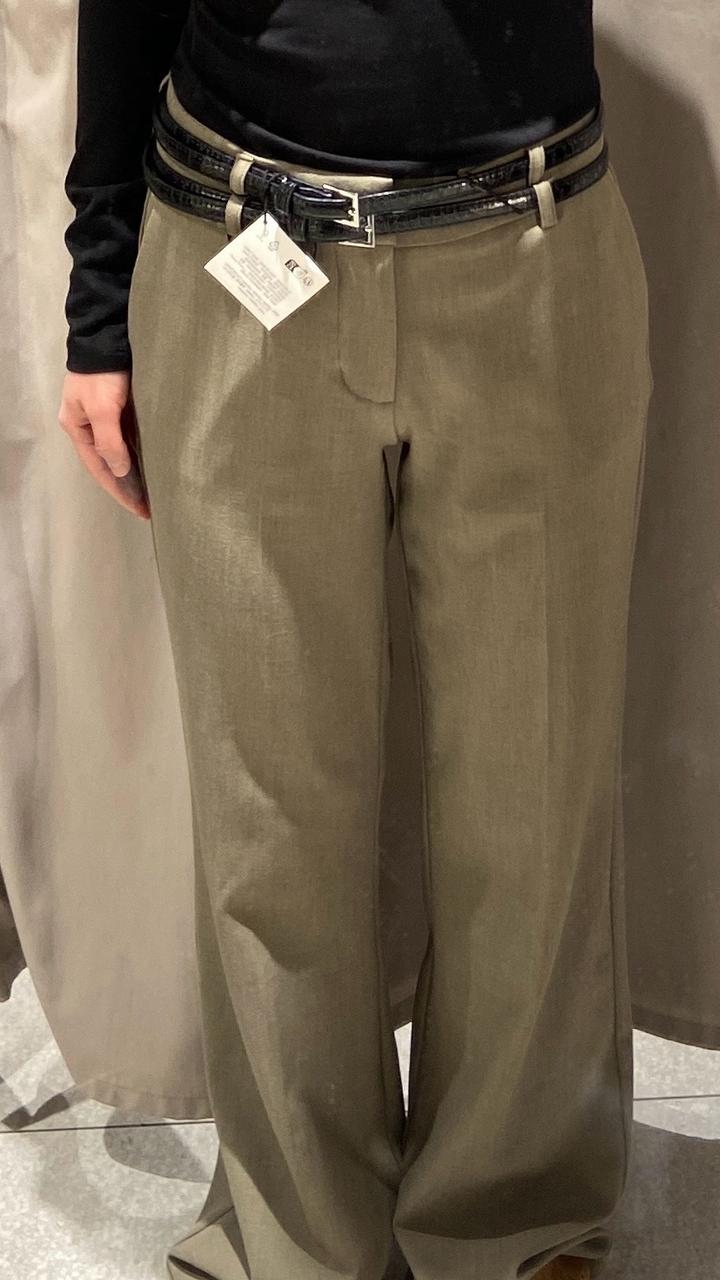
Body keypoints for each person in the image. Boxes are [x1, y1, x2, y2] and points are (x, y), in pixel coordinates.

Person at [58, 4, 653, 1279]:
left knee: (533, 799)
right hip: (237, 241)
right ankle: (295, 1237)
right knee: (268, 812)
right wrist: (99, 289)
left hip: (532, 250)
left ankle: (511, 1214)